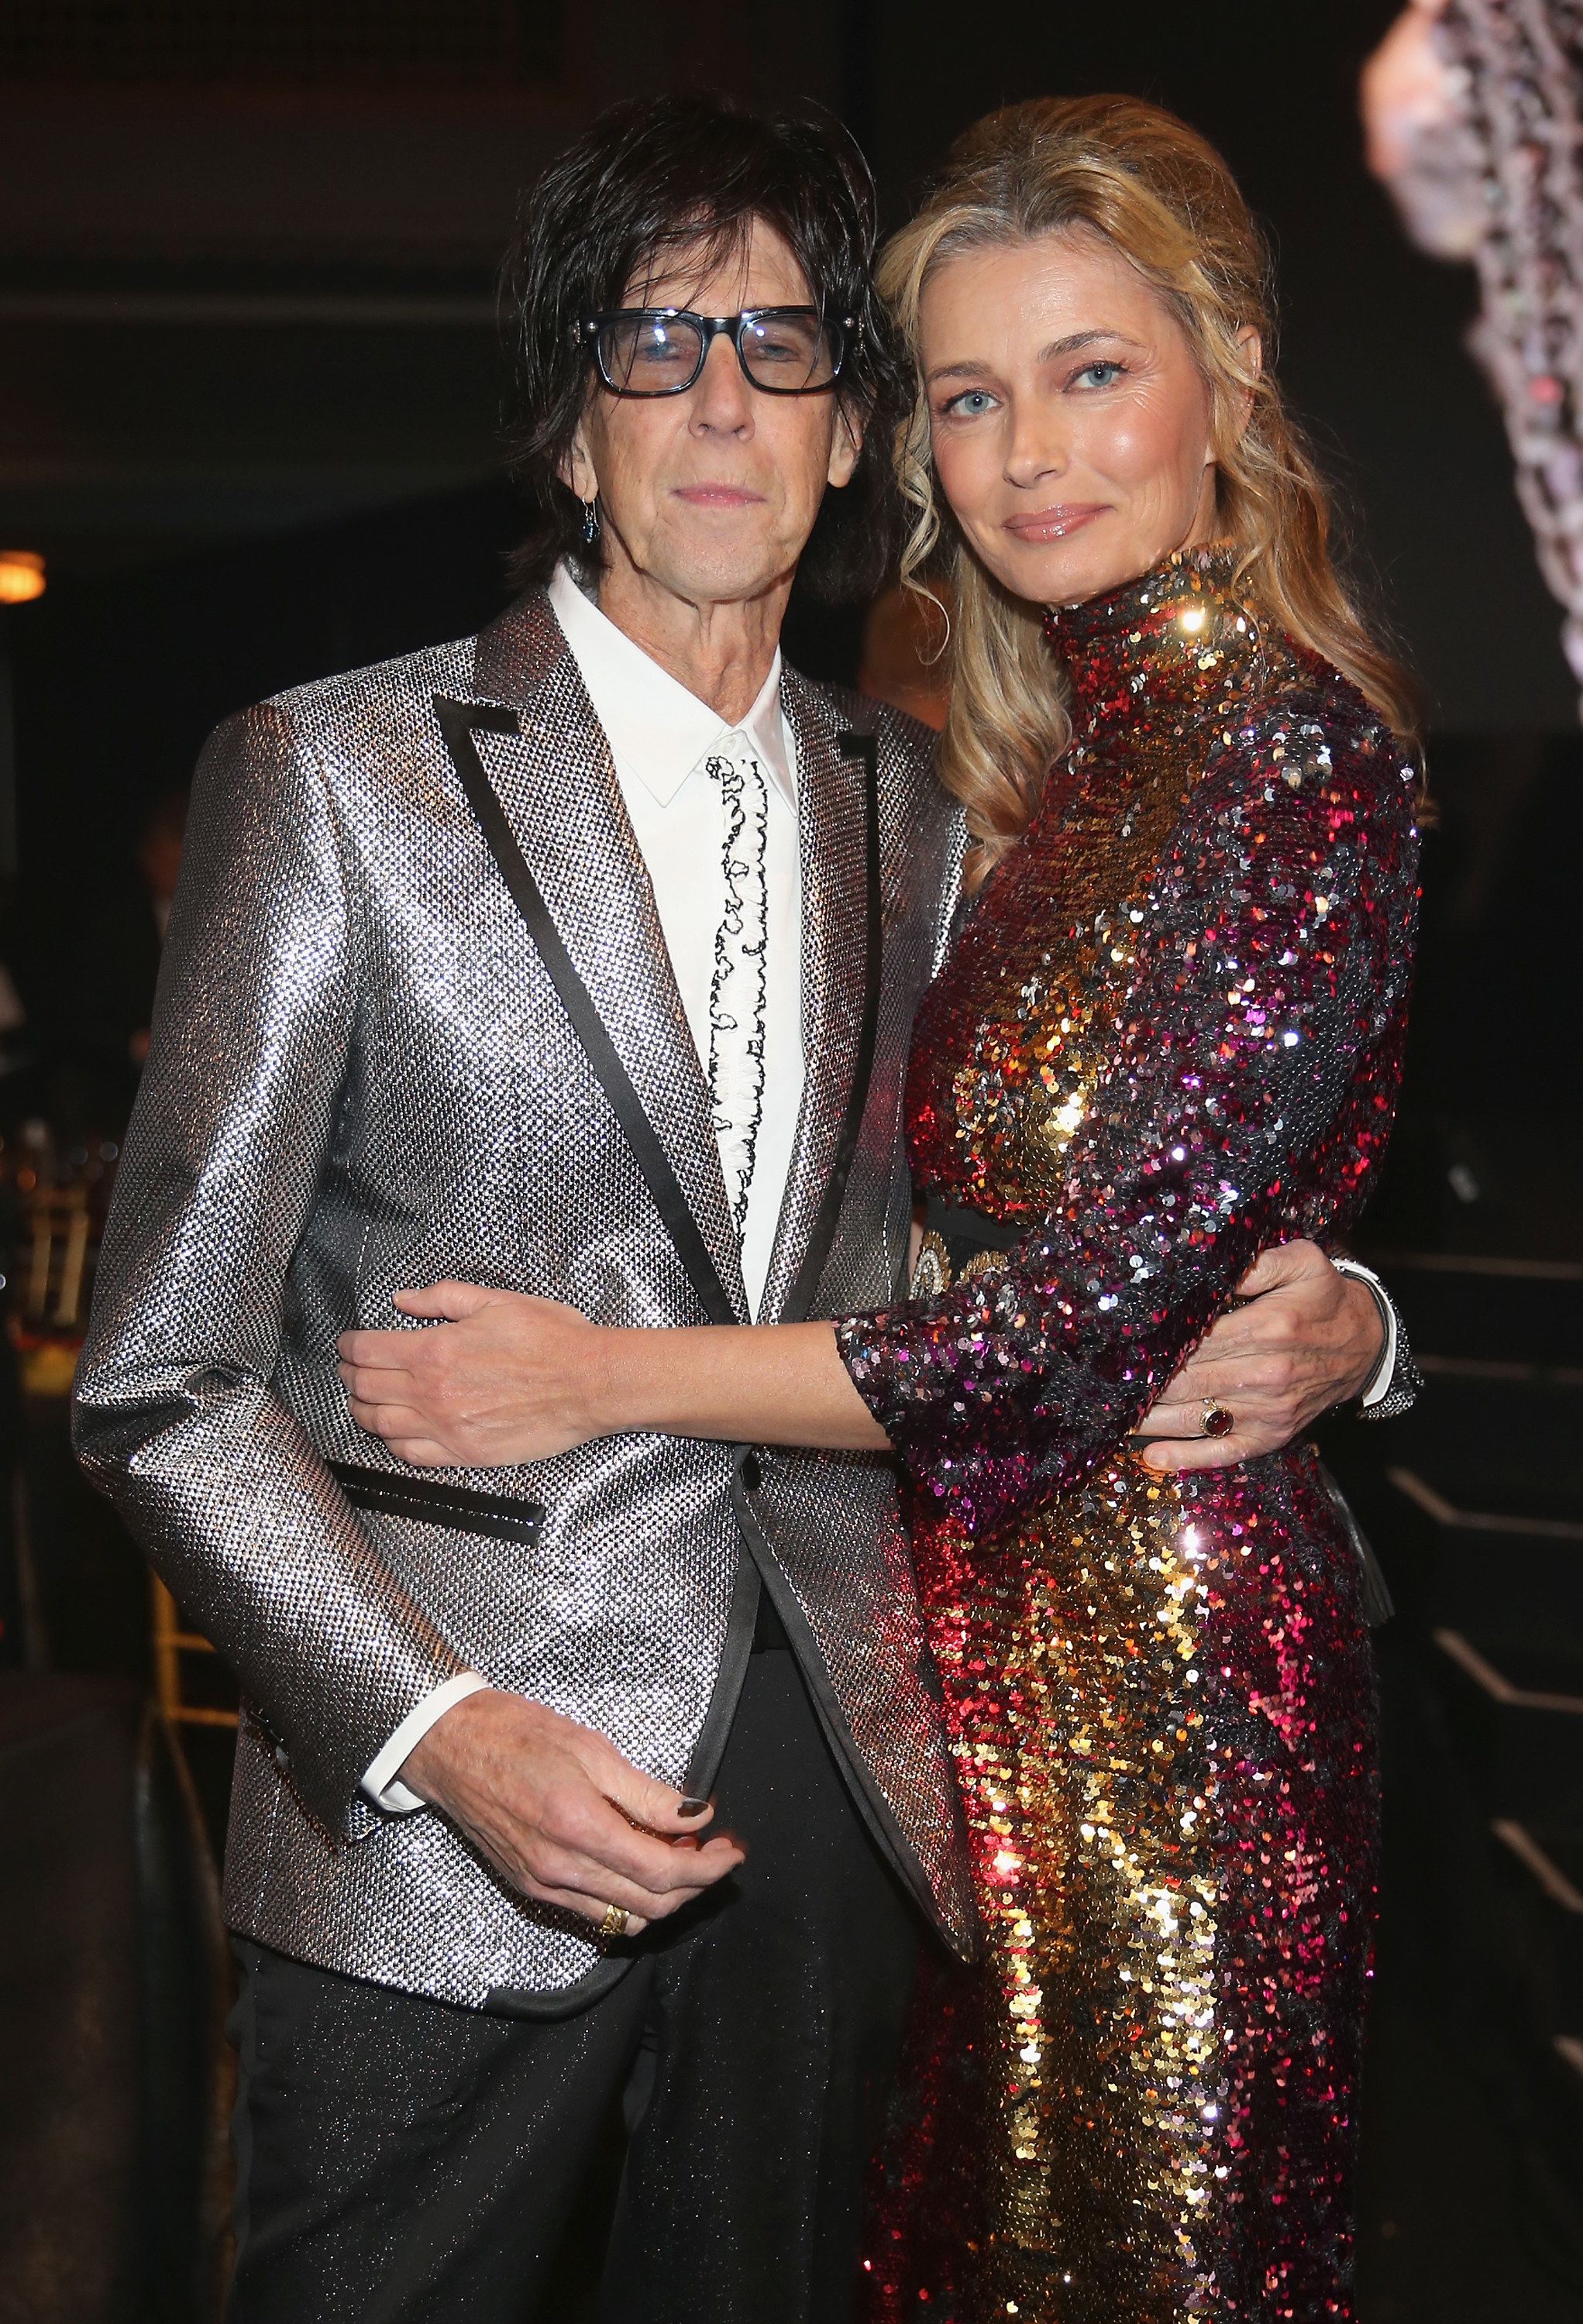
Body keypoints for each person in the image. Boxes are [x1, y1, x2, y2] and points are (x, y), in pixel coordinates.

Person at [78, 92, 1409, 2324]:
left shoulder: (933, 812)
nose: (719, 400)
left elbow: (1079, 1224)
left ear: (846, 436)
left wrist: (1350, 1314)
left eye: (783, 347)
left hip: (855, 1803)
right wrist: (433, 1735)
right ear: (567, 429)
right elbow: (160, 1377)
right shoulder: (335, 776)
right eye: (654, 343)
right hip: (450, 1803)